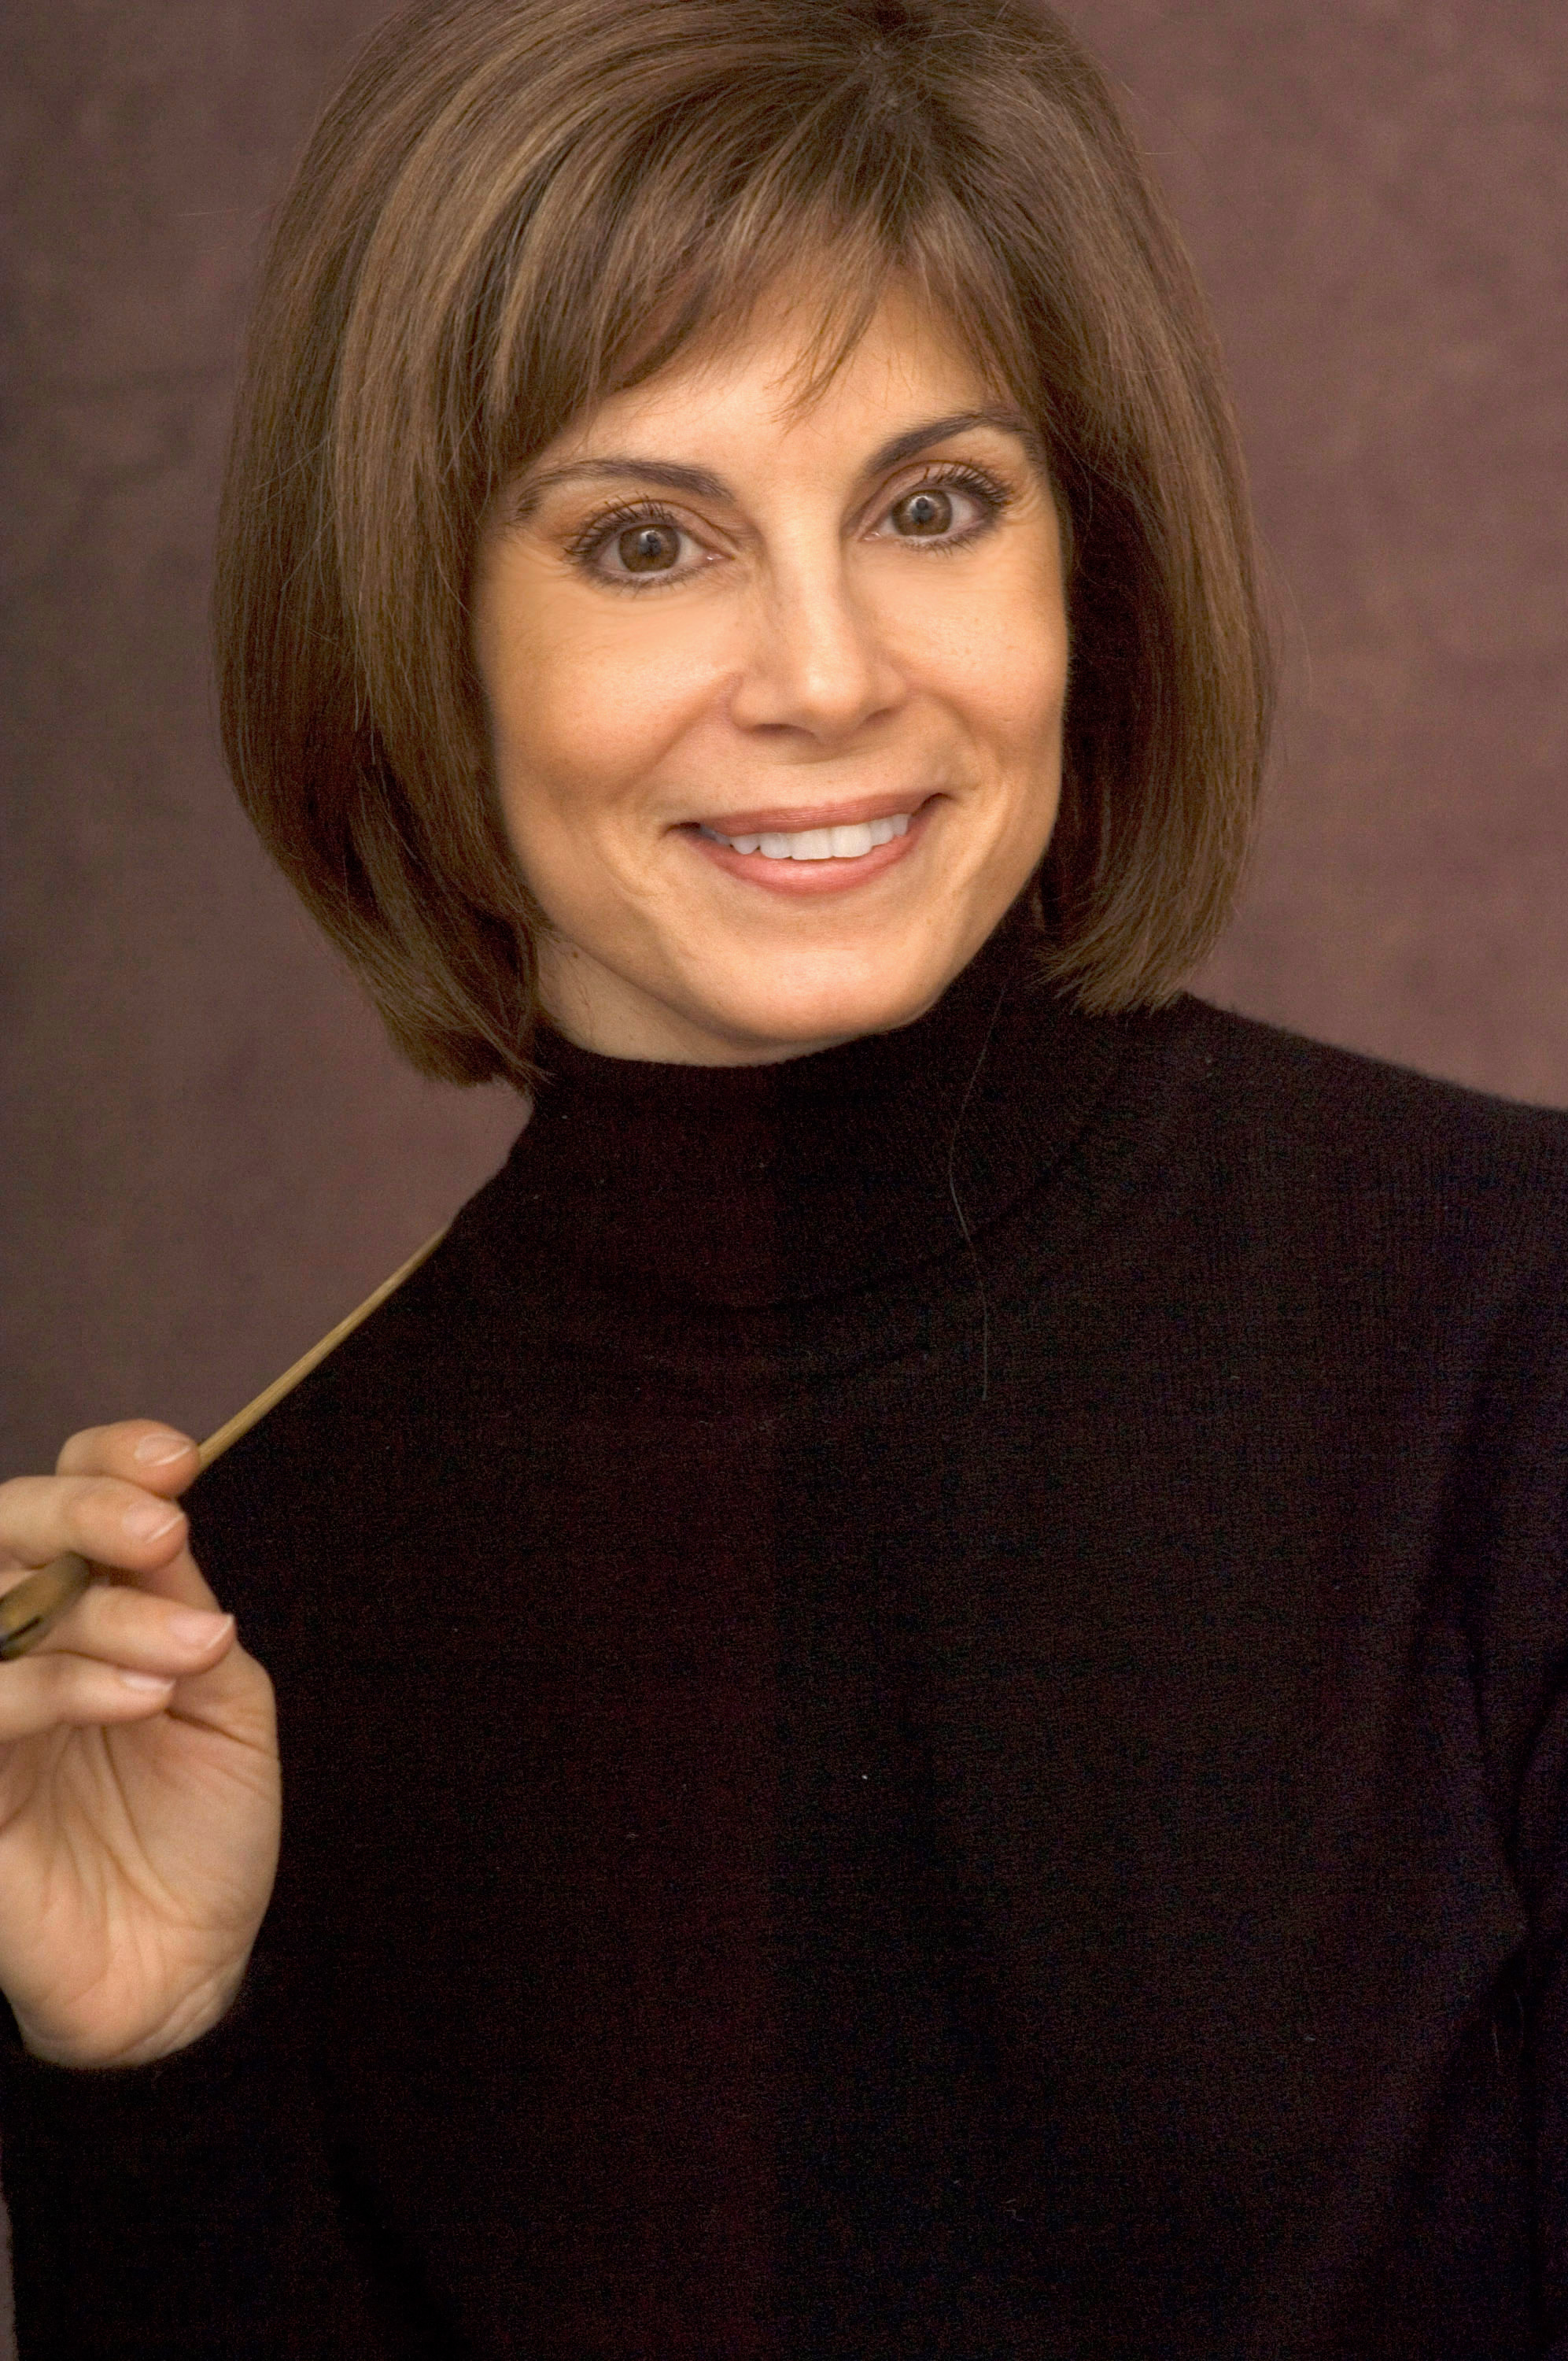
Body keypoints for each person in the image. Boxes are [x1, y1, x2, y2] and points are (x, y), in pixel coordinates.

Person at [0, 0, 1564, 2352]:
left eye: (933, 504)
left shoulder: (1509, 1331)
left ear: (1087, 567)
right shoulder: (223, 1637)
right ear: (414, 622)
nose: (825, 673)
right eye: (646, 541)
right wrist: (142, 2074)